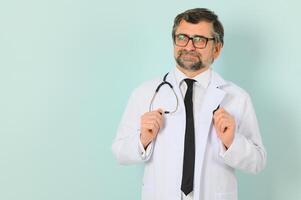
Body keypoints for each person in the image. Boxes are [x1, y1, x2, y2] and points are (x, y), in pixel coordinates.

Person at [112, 8, 266, 200]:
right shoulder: (146, 93)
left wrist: (231, 142)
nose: (189, 46)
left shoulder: (237, 98)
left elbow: (257, 162)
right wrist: (142, 139)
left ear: (216, 48)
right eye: (182, 37)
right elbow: (119, 152)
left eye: (200, 40)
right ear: (174, 42)